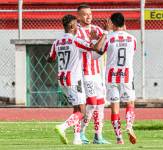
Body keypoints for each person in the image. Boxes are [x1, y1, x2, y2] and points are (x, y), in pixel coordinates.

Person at [47, 14, 93, 145]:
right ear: (72, 26)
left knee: (76, 109)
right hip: (74, 80)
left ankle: (77, 138)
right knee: (82, 112)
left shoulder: (57, 42)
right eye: (77, 25)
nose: (78, 27)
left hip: (62, 79)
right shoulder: (75, 40)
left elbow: (50, 58)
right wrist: (101, 35)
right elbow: (93, 48)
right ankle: (63, 127)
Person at [94, 12, 137, 144]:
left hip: (111, 76)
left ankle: (119, 138)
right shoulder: (132, 39)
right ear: (124, 23)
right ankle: (129, 126)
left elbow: (97, 52)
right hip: (126, 75)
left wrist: (105, 33)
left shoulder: (108, 38)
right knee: (130, 103)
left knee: (115, 107)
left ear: (111, 23)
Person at [76, 4, 110, 144]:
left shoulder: (97, 29)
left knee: (100, 104)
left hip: (97, 72)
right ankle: (81, 132)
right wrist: (101, 38)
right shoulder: (76, 32)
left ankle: (98, 135)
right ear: (78, 16)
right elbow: (93, 48)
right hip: (85, 72)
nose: (88, 16)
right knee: (91, 103)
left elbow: (100, 51)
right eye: (85, 14)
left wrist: (102, 38)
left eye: (90, 14)